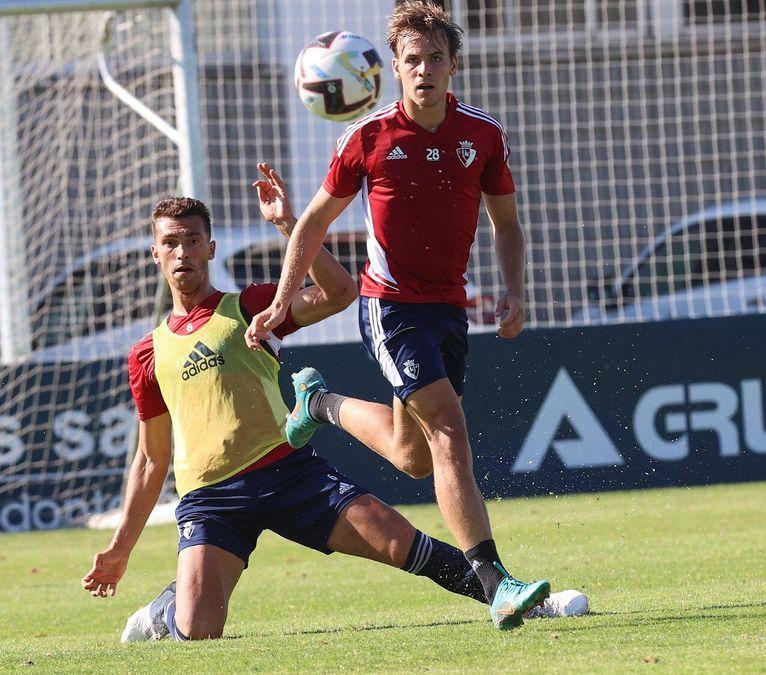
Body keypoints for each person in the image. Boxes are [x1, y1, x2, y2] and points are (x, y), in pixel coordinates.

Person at [81, 167, 580, 643]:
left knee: (399, 543)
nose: (182, 251)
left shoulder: (252, 307)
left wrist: (288, 225)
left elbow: (340, 293)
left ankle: (521, 600)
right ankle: (167, 612)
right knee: (199, 632)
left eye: (192, 240)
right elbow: (150, 459)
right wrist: (120, 550)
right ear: (155, 254)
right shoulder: (147, 352)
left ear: (210, 248)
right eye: (171, 242)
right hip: (211, 500)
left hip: (287, 474)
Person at [242, 3, 549, 629]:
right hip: (391, 307)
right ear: (395, 68)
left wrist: (514, 290)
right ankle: (495, 581)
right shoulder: (367, 138)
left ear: (453, 65)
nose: (425, 70)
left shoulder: (482, 135)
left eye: (436, 59)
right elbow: (314, 223)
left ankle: (320, 407)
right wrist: (281, 301)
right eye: (413, 60)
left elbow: (507, 223)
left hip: (448, 309)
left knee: (415, 457)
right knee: (449, 431)